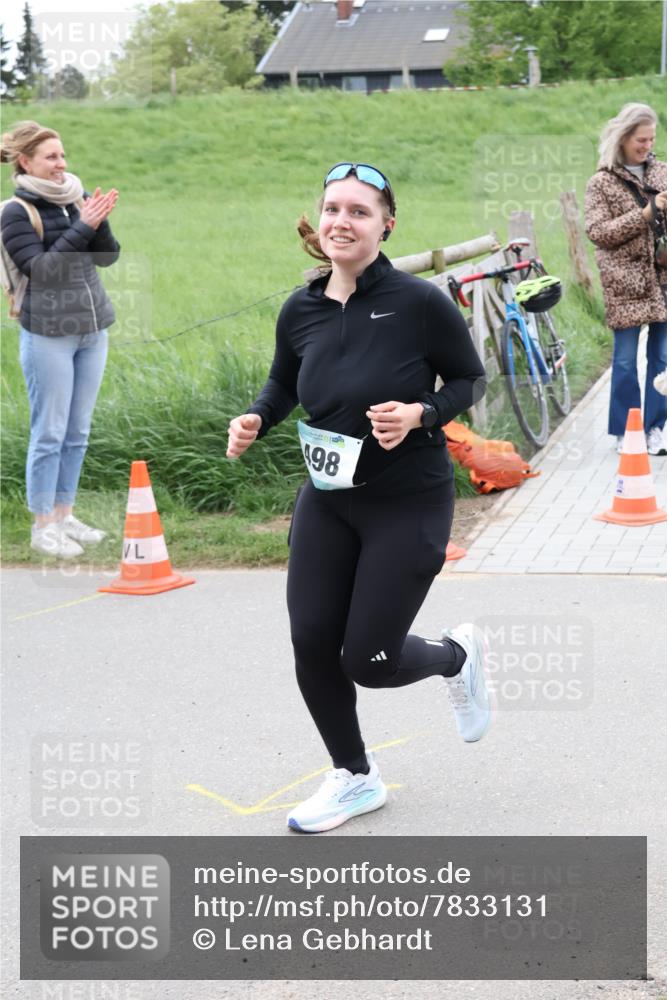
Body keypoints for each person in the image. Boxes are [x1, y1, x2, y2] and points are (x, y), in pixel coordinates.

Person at [227, 162, 491, 834]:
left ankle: (454, 657)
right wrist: (257, 417)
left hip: (408, 500)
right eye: (332, 209)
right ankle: (354, 778)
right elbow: (283, 384)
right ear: (319, 221)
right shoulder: (302, 307)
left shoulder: (418, 302)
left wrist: (421, 415)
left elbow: (467, 380)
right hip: (327, 498)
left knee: (368, 662)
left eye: (358, 211)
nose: (341, 221)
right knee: (312, 641)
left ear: (385, 224)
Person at [1, 121, 120, 558]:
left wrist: (97, 221)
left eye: (63, 155)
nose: (61, 164)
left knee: (78, 431)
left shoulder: (74, 198)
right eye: (51, 157)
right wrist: (83, 225)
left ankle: (65, 514)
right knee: (49, 432)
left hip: (92, 330)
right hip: (48, 335)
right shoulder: (15, 212)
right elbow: (42, 269)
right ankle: (42, 525)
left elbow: (107, 257)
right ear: (26, 161)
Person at [584, 102, 667, 455]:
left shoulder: (663, 172)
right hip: (625, 283)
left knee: (663, 360)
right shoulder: (601, 182)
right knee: (623, 360)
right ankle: (625, 430)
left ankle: (656, 429)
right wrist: (648, 213)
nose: (647, 146)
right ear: (622, 138)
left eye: (651, 139)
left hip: (663, 280)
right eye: (640, 140)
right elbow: (599, 232)